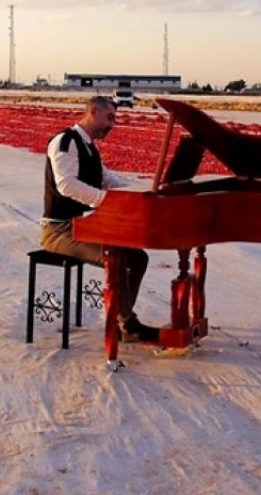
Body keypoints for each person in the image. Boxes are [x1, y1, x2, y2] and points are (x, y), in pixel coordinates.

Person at [41, 96, 158, 343]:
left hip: (84, 226)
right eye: (109, 118)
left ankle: (121, 320)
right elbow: (66, 186)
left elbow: (110, 181)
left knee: (138, 257)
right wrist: (107, 201)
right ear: (93, 111)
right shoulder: (65, 142)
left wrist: (144, 194)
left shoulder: (90, 148)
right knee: (117, 259)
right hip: (60, 230)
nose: (112, 125)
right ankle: (127, 323)